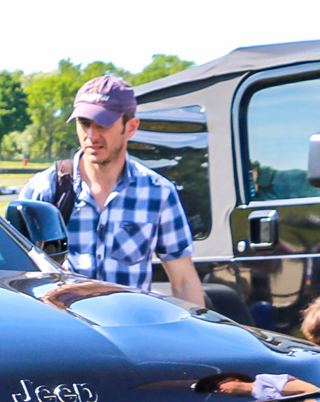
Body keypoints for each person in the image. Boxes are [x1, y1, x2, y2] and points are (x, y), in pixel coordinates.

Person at [19, 75, 205, 305]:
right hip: (64, 334)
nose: (91, 136)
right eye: (84, 124)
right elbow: (16, 275)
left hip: (129, 333)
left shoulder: (158, 193)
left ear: (131, 127)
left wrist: (197, 338)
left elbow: (184, 280)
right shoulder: (45, 189)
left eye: (103, 125)